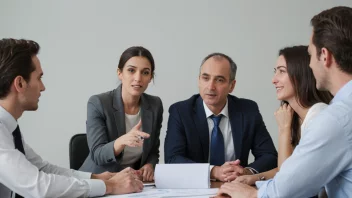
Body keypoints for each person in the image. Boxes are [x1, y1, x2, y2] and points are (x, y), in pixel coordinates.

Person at [217, 6, 352, 198]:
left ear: (325, 56)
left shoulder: (334, 119)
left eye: (311, 55)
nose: (311, 64)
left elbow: (285, 190)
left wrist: (250, 193)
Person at [0, 38, 143, 197]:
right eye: (39, 78)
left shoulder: (9, 129)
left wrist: (96, 178)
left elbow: (43, 169)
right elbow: (39, 186)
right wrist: (109, 186)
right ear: (20, 83)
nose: (43, 87)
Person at [164, 53, 277, 182]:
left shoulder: (248, 110)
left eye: (219, 80)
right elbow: (172, 159)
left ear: (232, 86)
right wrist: (213, 171)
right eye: (205, 78)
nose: (211, 87)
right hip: (195, 189)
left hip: (236, 187)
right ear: (199, 80)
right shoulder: (181, 112)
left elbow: (269, 155)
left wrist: (246, 172)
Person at [234, 45, 332, 186]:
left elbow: (287, 179)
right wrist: (252, 178)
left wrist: (284, 130)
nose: (274, 80)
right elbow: (286, 168)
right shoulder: (296, 117)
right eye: (275, 71)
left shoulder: (319, 117)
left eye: (282, 71)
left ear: (300, 74)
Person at [79, 46, 163, 182]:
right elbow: (97, 154)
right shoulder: (98, 103)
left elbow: (153, 150)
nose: (138, 78)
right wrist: (122, 141)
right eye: (131, 70)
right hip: (100, 181)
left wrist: (149, 165)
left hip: (134, 183)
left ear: (151, 77)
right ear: (120, 73)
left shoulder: (155, 105)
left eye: (145, 73)